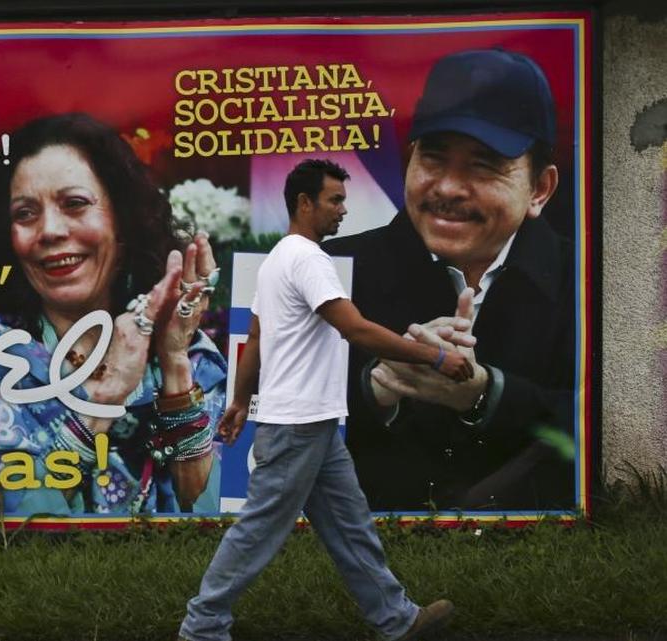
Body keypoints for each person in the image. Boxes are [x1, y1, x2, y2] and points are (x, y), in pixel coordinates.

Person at [178, 159, 464, 641]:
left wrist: (241, 401)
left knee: (351, 526)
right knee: (258, 531)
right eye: (335, 200)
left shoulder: (278, 259)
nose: (343, 210)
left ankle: (397, 620)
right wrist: (434, 356)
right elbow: (356, 329)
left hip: (315, 423)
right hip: (297, 425)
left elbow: (257, 337)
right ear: (304, 203)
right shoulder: (309, 260)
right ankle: (202, 627)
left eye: (344, 201)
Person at [323, 48, 576, 512]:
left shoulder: (583, 284)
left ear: (540, 189)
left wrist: (485, 394)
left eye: (484, 165)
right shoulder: (329, 269)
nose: (447, 187)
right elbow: (261, 421)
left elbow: (601, 425)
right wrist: (376, 389)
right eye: (434, 158)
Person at [0, 113, 227, 514]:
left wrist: (174, 362)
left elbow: (217, 517)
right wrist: (104, 397)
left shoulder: (194, 357)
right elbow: (24, 523)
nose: (50, 230)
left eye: (74, 204)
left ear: (122, 221)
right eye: (25, 213)